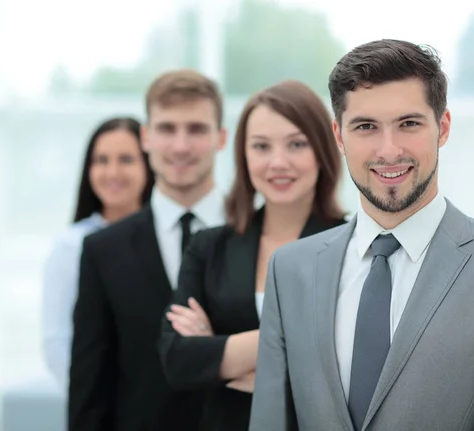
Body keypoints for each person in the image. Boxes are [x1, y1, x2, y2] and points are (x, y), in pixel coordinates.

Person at [250, 39, 474, 431]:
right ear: (339, 136)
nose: (389, 150)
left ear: (443, 127)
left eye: (409, 123)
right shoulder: (291, 268)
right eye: (366, 126)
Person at [158, 80, 347, 431]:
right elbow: (178, 359)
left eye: (297, 144)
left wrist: (219, 353)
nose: (278, 162)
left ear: (323, 149)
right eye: (261, 146)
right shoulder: (209, 246)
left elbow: (358, 363)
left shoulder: (353, 246)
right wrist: (296, 354)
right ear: (243, 156)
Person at [68, 69, 227, 431]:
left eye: (197, 129)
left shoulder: (259, 233)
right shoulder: (101, 250)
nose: (181, 146)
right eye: (167, 129)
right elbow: (89, 389)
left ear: (221, 137)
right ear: (146, 137)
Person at [42, 116, 154, 390]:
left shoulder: (170, 236)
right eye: (101, 160)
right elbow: (57, 342)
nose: (112, 172)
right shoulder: (70, 245)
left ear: (150, 166)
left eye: (126, 159)